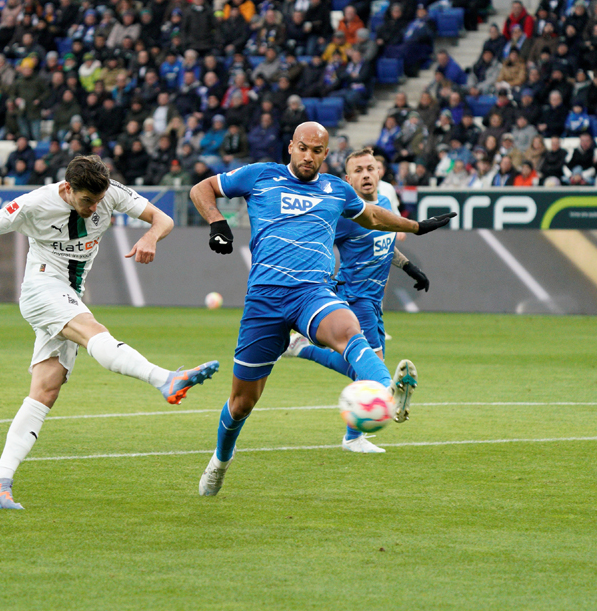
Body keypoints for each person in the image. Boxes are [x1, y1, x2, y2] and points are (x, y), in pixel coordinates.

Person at [0, 155, 219, 509]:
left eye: (99, 200)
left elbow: (164, 219)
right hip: (41, 288)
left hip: (69, 294)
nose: (94, 208)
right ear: (68, 189)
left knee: (45, 391)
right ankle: (165, 379)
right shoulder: (34, 203)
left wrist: (151, 237)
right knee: (93, 331)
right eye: (87, 200)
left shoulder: (109, 192)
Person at [189, 123, 455, 496]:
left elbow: (373, 217)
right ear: (291, 147)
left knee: (349, 330)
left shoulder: (336, 190)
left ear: (325, 154)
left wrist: (417, 227)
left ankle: (383, 391)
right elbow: (201, 188)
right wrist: (218, 222)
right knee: (242, 403)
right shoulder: (260, 175)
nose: (308, 156)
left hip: (312, 293)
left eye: (317, 151)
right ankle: (220, 460)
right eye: (303, 148)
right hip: (264, 300)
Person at [281, 147, 431, 453]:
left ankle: (301, 349)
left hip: (374, 301)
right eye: (358, 171)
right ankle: (358, 431)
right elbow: (314, 242)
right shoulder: (346, 216)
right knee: (373, 367)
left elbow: (384, 244)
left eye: (370, 168)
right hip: (353, 298)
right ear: (348, 180)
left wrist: (409, 267)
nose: (365, 175)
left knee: (360, 367)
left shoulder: (384, 204)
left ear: (379, 173)